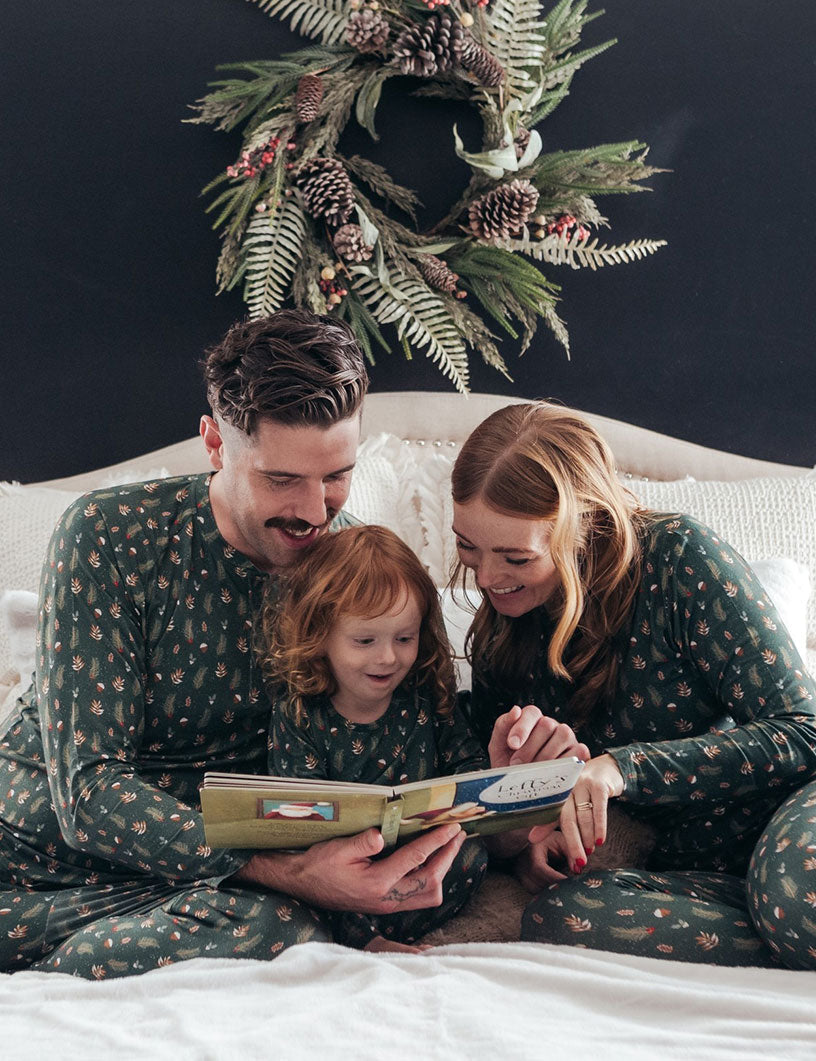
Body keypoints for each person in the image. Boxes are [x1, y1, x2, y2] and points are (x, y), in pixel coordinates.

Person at [0, 311, 575, 978]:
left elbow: (419, 743)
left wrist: (502, 819)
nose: (312, 509)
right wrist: (295, 874)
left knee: (299, 920)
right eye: (281, 479)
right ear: (216, 443)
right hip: (46, 861)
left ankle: (101, 959)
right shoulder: (109, 536)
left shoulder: (355, 566)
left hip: (228, 887)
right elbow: (90, 792)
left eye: (335, 475)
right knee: (282, 923)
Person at [450, 401, 816, 969]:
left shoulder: (678, 559)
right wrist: (518, 821)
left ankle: (784, 916)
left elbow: (804, 732)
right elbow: (517, 832)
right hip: (681, 873)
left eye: (515, 557)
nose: (487, 578)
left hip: (788, 814)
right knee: (558, 916)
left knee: (799, 897)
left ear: (582, 529)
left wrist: (622, 768)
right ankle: (778, 936)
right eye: (468, 547)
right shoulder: (505, 625)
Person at [260, 523, 491, 953]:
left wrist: (456, 813)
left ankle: (394, 921)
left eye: (405, 638)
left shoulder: (423, 696)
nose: (388, 657)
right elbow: (297, 826)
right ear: (320, 636)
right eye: (364, 640)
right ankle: (365, 940)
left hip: (419, 851)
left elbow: (469, 763)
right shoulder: (300, 715)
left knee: (472, 856)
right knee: (298, 891)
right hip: (341, 866)